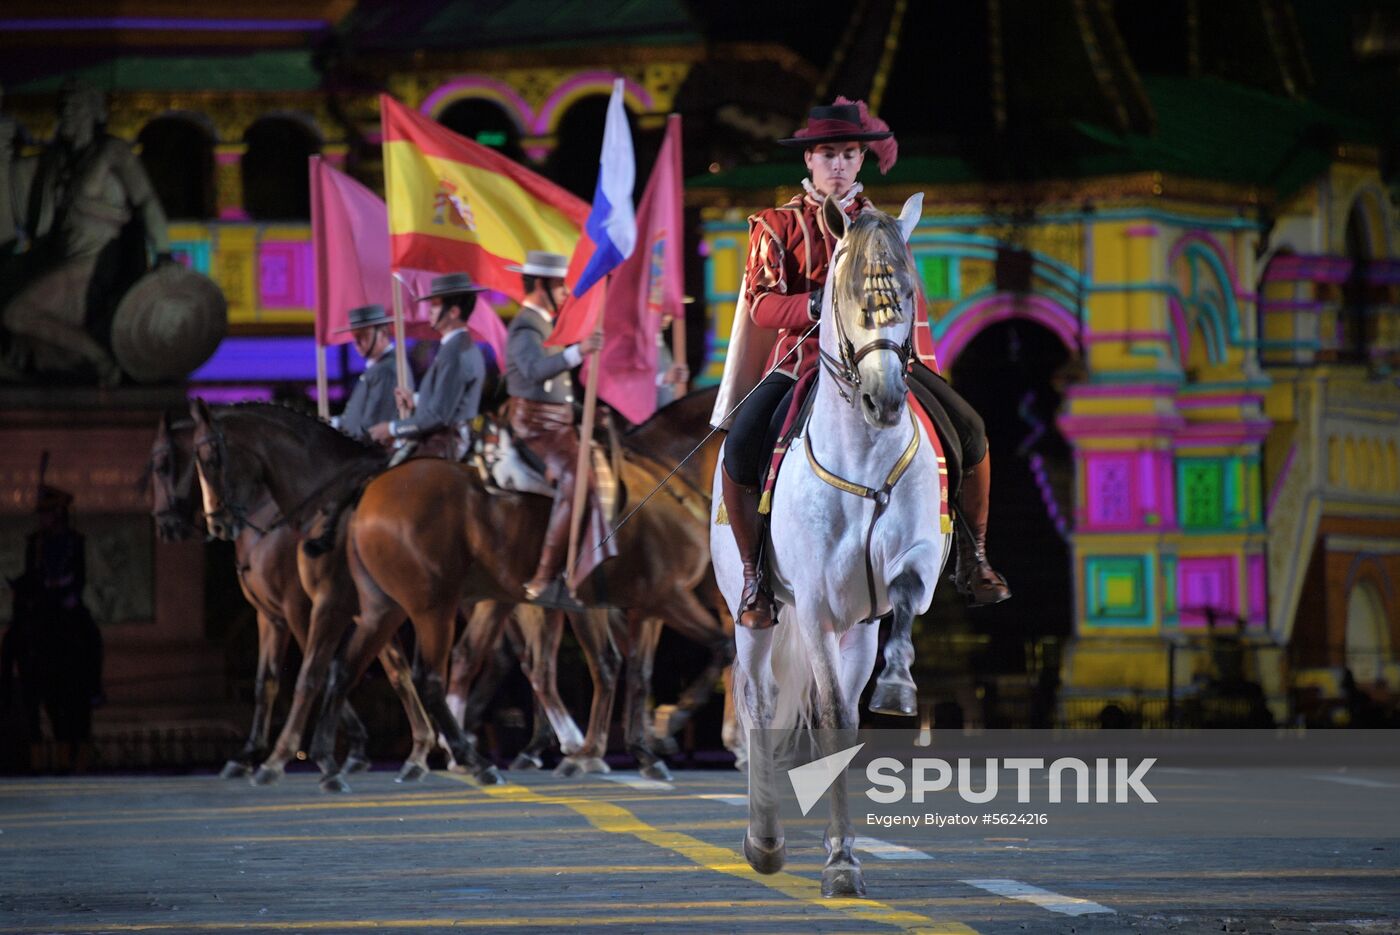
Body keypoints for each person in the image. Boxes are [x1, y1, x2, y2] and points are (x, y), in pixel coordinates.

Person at [714, 98, 1011, 630]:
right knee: (738, 449)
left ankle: (975, 554)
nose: (839, 165)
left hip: (883, 358)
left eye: (849, 154)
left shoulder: (884, 227)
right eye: (827, 154)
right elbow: (761, 303)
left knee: (971, 429)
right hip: (802, 362)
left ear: (861, 159)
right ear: (808, 160)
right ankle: (755, 576)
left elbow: (905, 295)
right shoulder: (776, 224)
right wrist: (813, 305)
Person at [1, 80, 172, 385]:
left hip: (93, 268)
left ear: (95, 112)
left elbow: (146, 200)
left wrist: (164, 252)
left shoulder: (112, 152)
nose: (66, 112)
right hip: (61, 261)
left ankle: (99, 358)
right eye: (63, 107)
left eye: (76, 105)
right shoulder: (58, 162)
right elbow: (18, 189)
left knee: (16, 313)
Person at [502, 250, 604, 601]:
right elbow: (534, 371)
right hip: (536, 426)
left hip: (559, 421)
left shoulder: (545, 324)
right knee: (579, 481)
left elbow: (555, 387)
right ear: (543, 284)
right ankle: (544, 577)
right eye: (561, 286)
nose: (566, 293)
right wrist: (580, 351)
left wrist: (578, 410)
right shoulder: (526, 326)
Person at [369, 273, 486, 459]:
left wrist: (392, 429)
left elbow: (438, 416)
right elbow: (447, 399)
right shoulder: (457, 346)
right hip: (445, 440)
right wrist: (416, 399)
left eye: (435, 305)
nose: (429, 310)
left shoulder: (454, 352)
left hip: (442, 445)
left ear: (453, 312)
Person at [334, 303, 410, 445]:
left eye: (363, 335)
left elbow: (374, 426)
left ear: (383, 333)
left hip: (371, 455)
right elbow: (354, 418)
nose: (356, 342)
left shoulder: (386, 370)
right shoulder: (379, 368)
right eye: (354, 335)